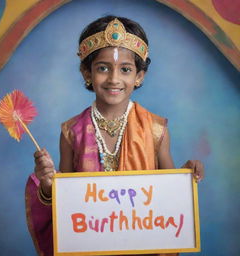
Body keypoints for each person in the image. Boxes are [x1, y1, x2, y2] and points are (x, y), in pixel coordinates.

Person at [25, 15, 204, 256]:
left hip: (142, 247)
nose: (114, 79)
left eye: (126, 69)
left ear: (139, 76)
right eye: (102, 68)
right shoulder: (71, 132)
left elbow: (168, 192)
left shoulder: (155, 129)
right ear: (87, 73)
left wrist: (186, 175)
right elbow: (65, 203)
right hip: (91, 246)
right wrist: (48, 187)